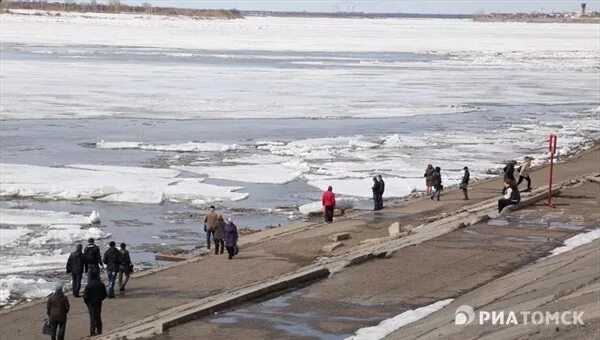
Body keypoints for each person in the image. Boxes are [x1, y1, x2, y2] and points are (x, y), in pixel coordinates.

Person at [83, 271, 107, 337]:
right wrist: (100, 299)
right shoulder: (101, 284)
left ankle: (92, 331)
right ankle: (99, 330)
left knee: (92, 317)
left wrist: (87, 302)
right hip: (98, 302)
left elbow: (85, 296)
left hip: (90, 303)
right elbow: (105, 294)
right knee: (98, 316)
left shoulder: (88, 286)